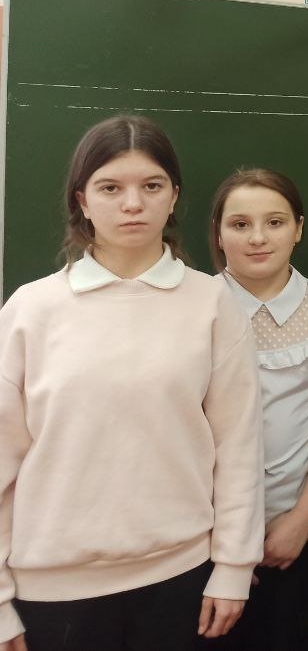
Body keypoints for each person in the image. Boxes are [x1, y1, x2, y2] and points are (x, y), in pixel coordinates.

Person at [0, 115, 263, 651]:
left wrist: (234, 566)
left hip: (180, 578)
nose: (133, 204)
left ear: (174, 196)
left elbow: (239, 445)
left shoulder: (212, 303)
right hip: (52, 591)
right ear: (81, 200)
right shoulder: (32, 309)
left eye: (152, 186)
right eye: (110, 188)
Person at [206, 168, 308, 650]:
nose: (258, 237)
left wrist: (302, 519)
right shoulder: (194, 307)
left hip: (293, 524)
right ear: (219, 232)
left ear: (299, 228)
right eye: (240, 224)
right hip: (202, 529)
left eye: (275, 222)